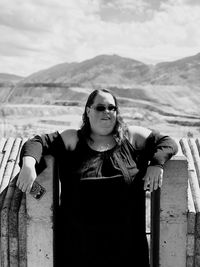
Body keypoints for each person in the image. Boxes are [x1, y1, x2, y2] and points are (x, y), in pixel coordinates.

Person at [17, 88, 178, 266]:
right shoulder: (73, 139)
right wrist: (29, 165)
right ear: (88, 111)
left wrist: (156, 163)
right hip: (78, 251)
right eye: (100, 107)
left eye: (112, 108)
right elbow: (36, 142)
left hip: (127, 251)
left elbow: (168, 142)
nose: (107, 112)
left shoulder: (131, 137)